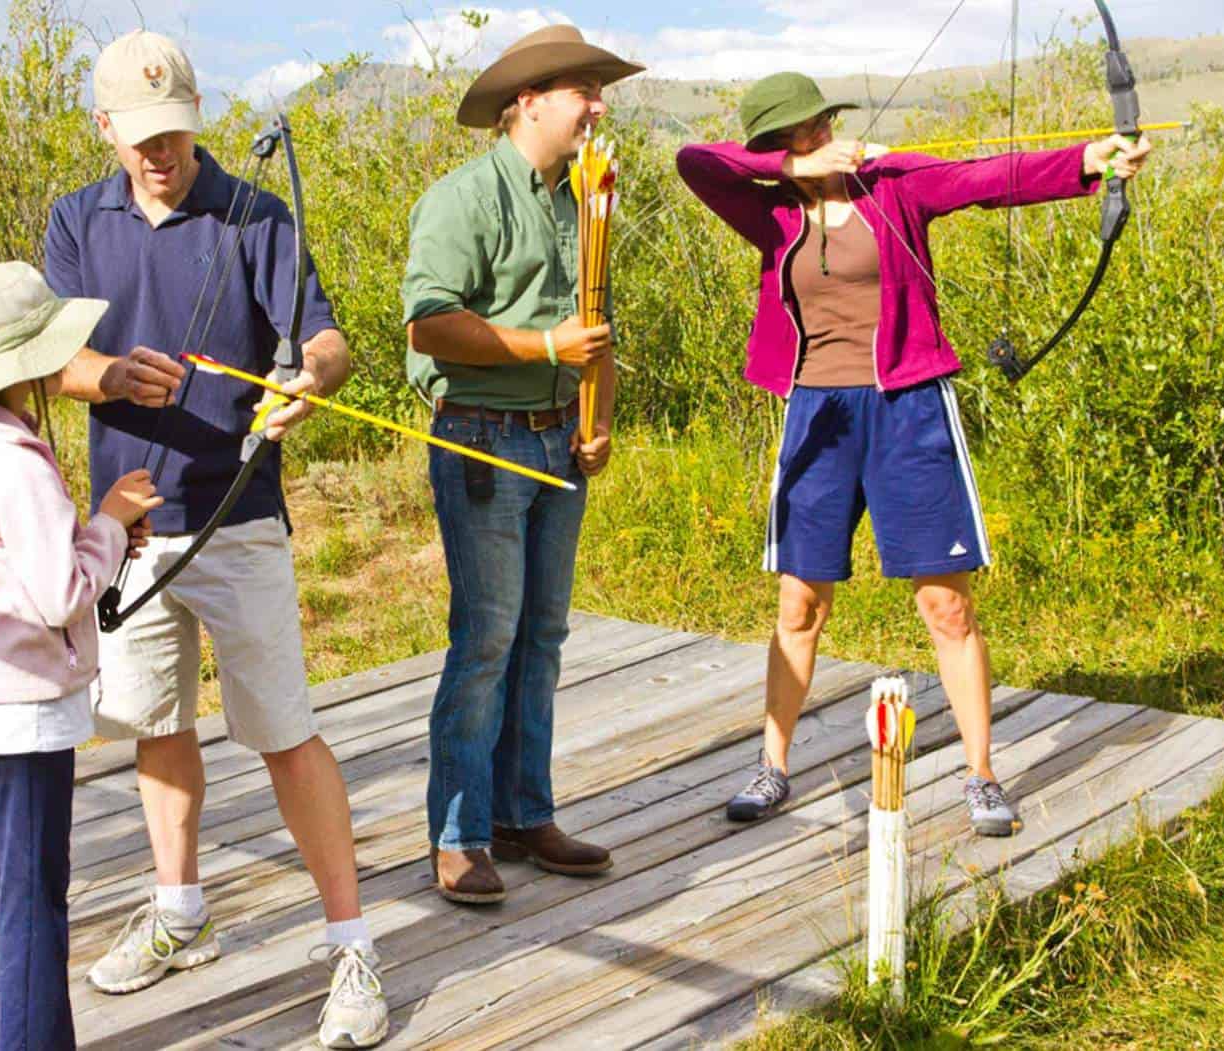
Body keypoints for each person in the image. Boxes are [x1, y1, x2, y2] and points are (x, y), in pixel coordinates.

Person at [674, 72, 1152, 835]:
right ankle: (772, 767)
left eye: (823, 123)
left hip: (908, 406)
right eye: (801, 131)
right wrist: (796, 172)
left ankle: (982, 774)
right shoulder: (766, 207)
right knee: (800, 601)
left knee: (946, 604)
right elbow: (697, 161)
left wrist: (1092, 159)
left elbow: (991, 178)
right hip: (817, 413)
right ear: (776, 145)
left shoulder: (892, 183)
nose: (821, 134)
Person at [41, 29, 387, 1048]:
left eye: (177, 133)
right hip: (129, 528)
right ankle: (179, 916)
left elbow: (328, 339)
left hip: (235, 523)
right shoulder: (75, 220)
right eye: (142, 137)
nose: (161, 154)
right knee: (156, 724)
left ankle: (353, 945)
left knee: (284, 730)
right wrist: (105, 377)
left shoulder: (253, 213)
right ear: (104, 129)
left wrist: (309, 379)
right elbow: (47, 356)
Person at [400, 24, 639, 905]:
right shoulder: (463, 199)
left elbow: (598, 322)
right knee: (488, 640)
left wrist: (599, 419)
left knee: (542, 636)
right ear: (528, 101)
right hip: (483, 444)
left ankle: (523, 812)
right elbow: (429, 323)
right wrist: (543, 343)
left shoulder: (581, 200)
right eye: (583, 88)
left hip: (558, 442)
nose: (598, 104)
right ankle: (458, 834)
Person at [0, 261, 161, 1050]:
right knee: (30, 896)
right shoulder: (15, 461)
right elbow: (60, 591)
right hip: (23, 708)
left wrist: (98, 533)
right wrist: (114, 524)